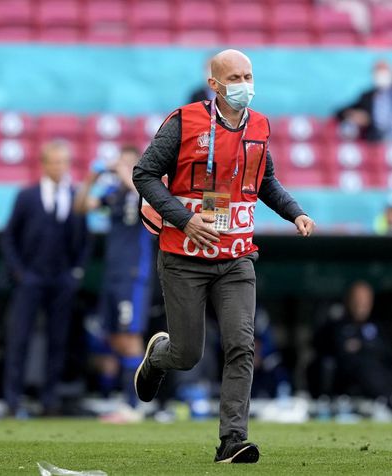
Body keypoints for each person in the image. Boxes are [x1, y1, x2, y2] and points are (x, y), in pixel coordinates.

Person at [132, 49, 315, 464]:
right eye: (234, 78)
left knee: (241, 346)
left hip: (236, 256)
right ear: (214, 84)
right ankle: (159, 356)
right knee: (188, 354)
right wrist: (183, 220)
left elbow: (264, 181)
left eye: (248, 75)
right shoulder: (183, 122)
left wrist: (296, 212)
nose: (244, 85)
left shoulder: (261, 127)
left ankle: (232, 441)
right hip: (185, 254)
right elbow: (142, 173)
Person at [0, 140, 89, 416]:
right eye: (55, 162)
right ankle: (12, 400)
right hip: (31, 278)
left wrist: (76, 271)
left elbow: (84, 240)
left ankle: (49, 400)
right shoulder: (27, 196)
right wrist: (20, 272)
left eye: (64, 162)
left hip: (61, 279)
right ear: (44, 164)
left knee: (58, 340)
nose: (60, 167)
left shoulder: (76, 196)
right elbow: (8, 237)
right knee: (20, 338)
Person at [74, 145, 155, 422]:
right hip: (113, 274)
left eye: (129, 163)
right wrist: (91, 179)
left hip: (133, 274)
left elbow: (148, 202)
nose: (122, 168)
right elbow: (82, 207)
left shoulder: (144, 191)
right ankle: (126, 399)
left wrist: (125, 172)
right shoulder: (116, 195)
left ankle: (135, 405)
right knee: (116, 337)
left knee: (131, 336)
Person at [309, 281, 392, 403]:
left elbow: (385, 353)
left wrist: (362, 346)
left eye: (365, 300)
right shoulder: (336, 327)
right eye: (357, 299)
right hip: (347, 387)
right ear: (349, 300)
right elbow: (337, 350)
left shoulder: (379, 327)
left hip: (381, 386)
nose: (361, 304)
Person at [335, 60, 392, 142]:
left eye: (383, 70)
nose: (381, 74)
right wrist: (355, 116)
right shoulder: (367, 97)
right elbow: (340, 112)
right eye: (377, 71)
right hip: (376, 141)